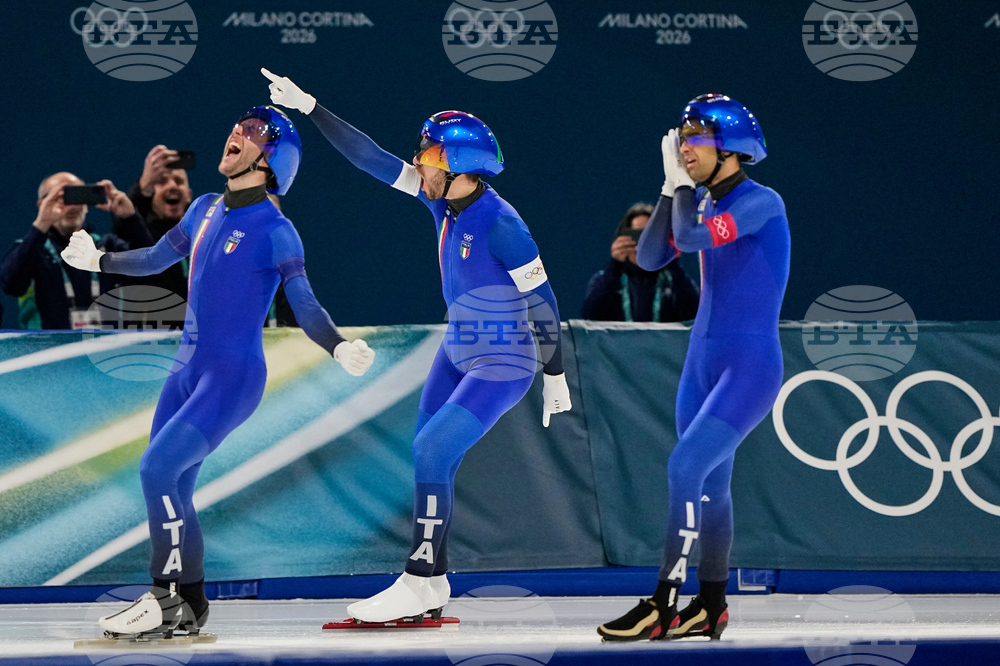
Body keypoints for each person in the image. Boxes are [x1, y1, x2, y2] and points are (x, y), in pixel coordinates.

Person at [261, 67, 572, 624]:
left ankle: (418, 577)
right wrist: (311, 106)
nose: (418, 164)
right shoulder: (441, 202)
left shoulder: (503, 224)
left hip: (504, 359)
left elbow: (543, 301)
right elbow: (371, 159)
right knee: (429, 451)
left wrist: (555, 374)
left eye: (427, 157)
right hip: (457, 348)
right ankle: (434, 583)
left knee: (433, 450)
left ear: (460, 167)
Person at [61, 105, 376, 641]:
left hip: (231, 379)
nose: (236, 132)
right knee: (175, 484)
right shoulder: (204, 207)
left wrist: (338, 347)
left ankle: (163, 597)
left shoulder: (278, 231)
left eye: (253, 132)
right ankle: (192, 606)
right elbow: (158, 257)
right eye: (238, 125)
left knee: (155, 471)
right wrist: (99, 262)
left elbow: (305, 304)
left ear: (272, 161)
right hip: (187, 370)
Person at [597, 94, 789, 642]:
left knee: (685, 468)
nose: (685, 148)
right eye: (681, 140)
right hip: (702, 362)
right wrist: (668, 188)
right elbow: (654, 256)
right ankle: (711, 604)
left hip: (749, 367)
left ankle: (663, 600)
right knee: (712, 485)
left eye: (695, 139)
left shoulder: (762, 202)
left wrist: (680, 189)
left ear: (729, 148)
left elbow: (693, 239)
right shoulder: (697, 202)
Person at [1, 173, 150, 329]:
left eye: (77, 196)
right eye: (61, 197)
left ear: (86, 204)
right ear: (42, 205)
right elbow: (11, 285)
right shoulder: (31, 251)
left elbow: (151, 272)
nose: (72, 205)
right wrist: (41, 224)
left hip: (105, 351)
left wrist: (130, 218)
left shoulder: (108, 247)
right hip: (49, 351)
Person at [581, 203, 699, 322]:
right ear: (623, 239)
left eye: (649, 237)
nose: (642, 246)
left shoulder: (672, 281)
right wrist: (614, 266)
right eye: (636, 237)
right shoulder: (607, 280)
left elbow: (695, 316)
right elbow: (590, 317)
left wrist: (673, 262)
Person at [114, 146, 194, 299]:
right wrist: (145, 185)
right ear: (151, 193)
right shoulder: (142, 238)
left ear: (189, 195)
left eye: (178, 181)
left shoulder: (202, 237)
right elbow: (124, 225)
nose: (172, 186)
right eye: (162, 182)